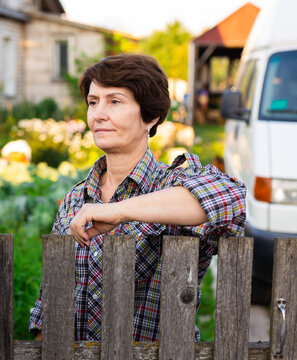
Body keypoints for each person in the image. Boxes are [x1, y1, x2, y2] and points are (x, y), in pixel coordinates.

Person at [29, 54, 246, 342]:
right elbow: (51, 307)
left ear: (151, 116)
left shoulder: (172, 183)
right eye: (93, 102)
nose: (99, 114)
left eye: (115, 101)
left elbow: (233, 199)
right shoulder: (74, 200)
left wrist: (119, 211)